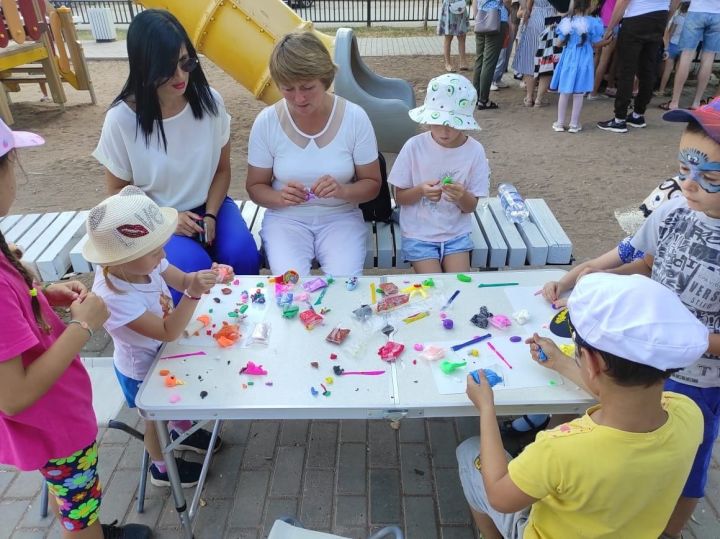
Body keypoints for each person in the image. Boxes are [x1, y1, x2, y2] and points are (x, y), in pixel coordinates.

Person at [458, 272, 706, 539]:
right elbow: (626, 400)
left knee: (468, 450)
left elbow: (499, 496)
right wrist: (562, 364)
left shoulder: (559, 449)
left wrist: (486, 409)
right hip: (633, 528)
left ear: (591, 360)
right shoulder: (688, 412)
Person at [0, 121, 152, 539]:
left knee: (75, 496)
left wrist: (44, 292)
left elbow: (14, 302)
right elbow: (13, 396)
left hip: (55, 419)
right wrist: (84, 327)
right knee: (79, 510)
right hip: (52, 423)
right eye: (11, 164)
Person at [608, 99, 720, 538]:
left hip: (698, 383)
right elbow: (644, 259)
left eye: (708, 178)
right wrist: (589, 277)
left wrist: (685, 337)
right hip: (646, 362)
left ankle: (667, 532)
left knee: (687, 463)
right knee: (630, 450)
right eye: (683, 168)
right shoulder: (676, 211)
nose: (689, 185)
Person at [93, 9, 260, 304]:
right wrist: (164, 219)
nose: (181, 75)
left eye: (186, 62)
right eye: (167, 68)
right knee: (191, 269)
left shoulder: (210, 102)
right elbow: (117, 193)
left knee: (243, 255)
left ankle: (241, 330)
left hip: (210, 205)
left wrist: (210, 213)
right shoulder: (121, 119)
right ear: (144, 66)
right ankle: (196, 339)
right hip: (153, 220)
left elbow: (222, 171)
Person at [84, 186, 228, 489]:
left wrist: (202, 277)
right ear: (121, 259)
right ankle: (161, 468)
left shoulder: (147, 260)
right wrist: (192, 294)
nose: (162, 255)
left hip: (163, 352)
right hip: (141, 371)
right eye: (154, 251)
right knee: (155, 421)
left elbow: (183, 279)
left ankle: (181, 429)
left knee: (175, 400)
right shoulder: (113, 295)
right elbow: (168, 330)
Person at [246, 31, 381, 277]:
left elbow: (372, 184)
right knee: (290, 287)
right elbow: (255, 187)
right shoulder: (267, 121)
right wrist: (280, 198)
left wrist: (343, 191)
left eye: (308, 87)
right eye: (288, 89)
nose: (298, 98)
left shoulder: (354, 117)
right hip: (286, 220)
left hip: (340, 217)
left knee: (344, 283)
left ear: (325, 79)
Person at [388, 74, 489, 273]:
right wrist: (421, 191)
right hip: (419, 234)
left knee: (459, 286)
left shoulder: (474, 151)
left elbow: (470, 207)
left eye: (453, 124)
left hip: (456, 234)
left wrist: (462, 196)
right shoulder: (414, 147)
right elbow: (399, 197)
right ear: (428, 120)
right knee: (434, 286)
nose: (445, 131)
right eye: (438, 123)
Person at [597, 0, 680, 133]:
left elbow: (623, 1)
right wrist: (665, 17)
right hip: (659, 17)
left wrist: (610, 27)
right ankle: (638, 114)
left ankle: (619, 118)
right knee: (648, 70)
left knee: (627, 70)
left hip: (635, 19)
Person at [551, 0, 608, 133]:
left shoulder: (567, 22)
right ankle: (574, 124)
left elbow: (558, 44)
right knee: (578, 93)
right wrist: (607, 42)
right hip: (584, 60)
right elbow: (596, 43)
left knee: (565, 91)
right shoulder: (593, 23)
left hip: (569, 59)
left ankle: (559, 123)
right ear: (589, 6)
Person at [662, 0, 720, 111]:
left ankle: (674, 102)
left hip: (696, 11)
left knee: (686, 57)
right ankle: (696, 102)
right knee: (708, 58)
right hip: (718, 14)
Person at [512, 0, 559, 107]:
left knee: (530, 58)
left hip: (535, 18)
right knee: (547, 60)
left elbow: (527, 7)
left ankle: (529, 97)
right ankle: (539, 98)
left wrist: (526, 18)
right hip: (552, 20)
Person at [472, 0, 512, 110]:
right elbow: (507, 1)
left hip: (481, 16)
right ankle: (483, 99)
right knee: (489, 61)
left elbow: (474, 2)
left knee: (479, 59)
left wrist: (477, 17)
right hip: (497, 18)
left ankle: (476, 96)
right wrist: (507, 11)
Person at [657, 2, 690, 98]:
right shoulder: (691, 21)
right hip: (684, 47)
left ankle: (661, 90)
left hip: (673, 44)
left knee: (668, 70)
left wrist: (666, 45)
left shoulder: (678, 18)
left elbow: (670, 32)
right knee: (680, 70)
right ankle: (675, 92)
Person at [438, 0, 471, 72]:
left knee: (462, 37)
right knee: (448, 37)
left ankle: (463, 62)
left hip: (461, 7)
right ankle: (447, 64)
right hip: (449, 7)